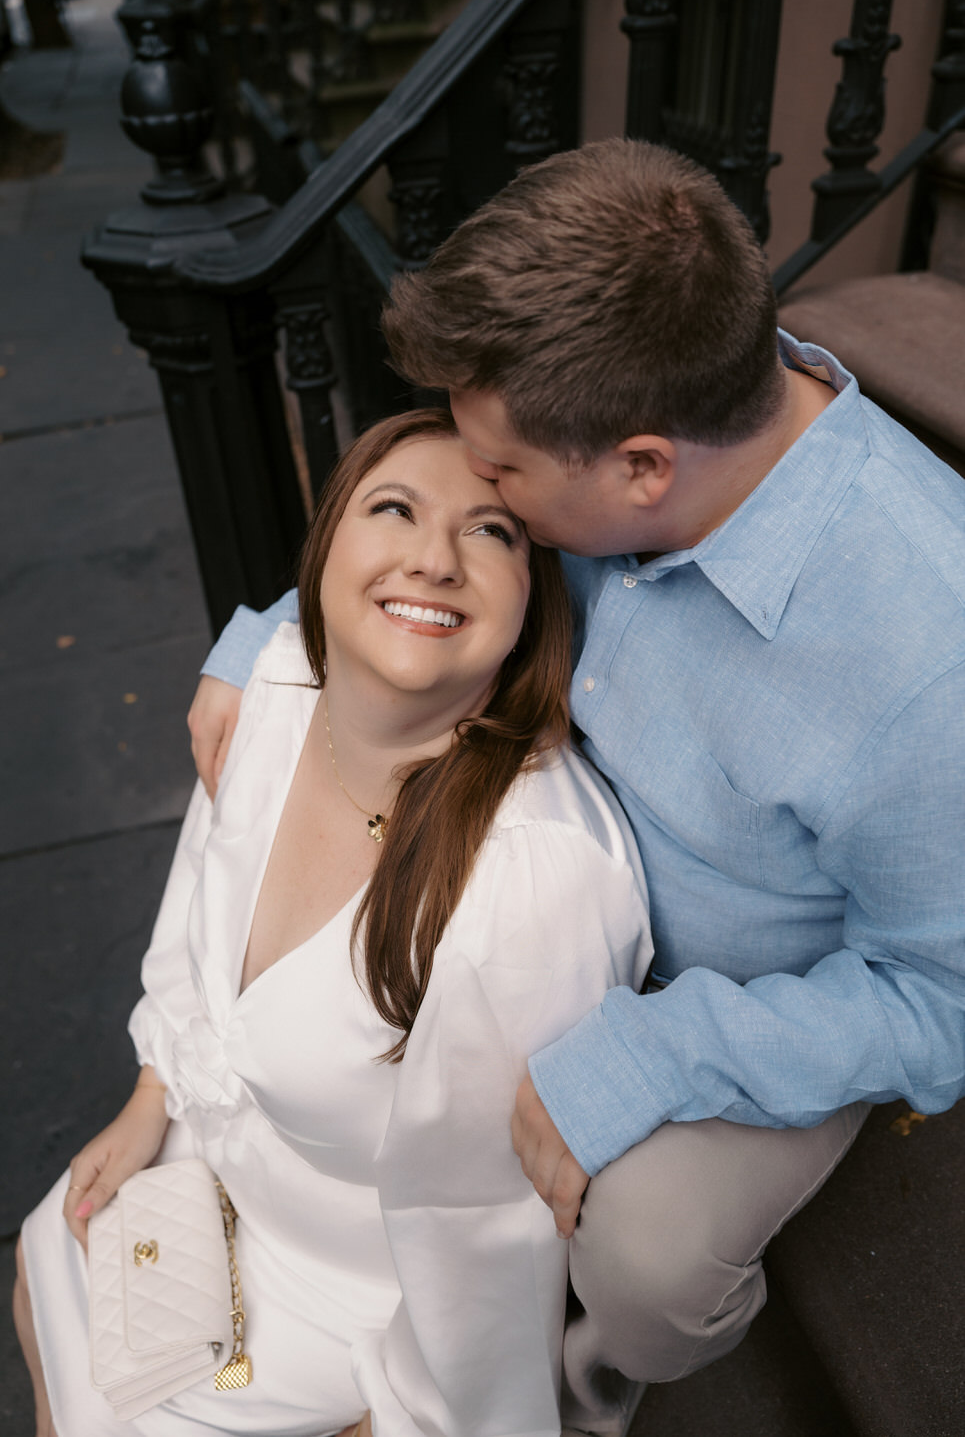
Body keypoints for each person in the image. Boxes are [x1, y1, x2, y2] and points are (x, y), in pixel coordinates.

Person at [186, 139, 965, 1435]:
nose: (474, 489)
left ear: (642, 468)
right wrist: (271, 635)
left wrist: (661, 1049)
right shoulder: (600, 422)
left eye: (501, 482)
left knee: (649, 1251)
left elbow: (939, 1000)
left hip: (736, 992)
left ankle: (597, 1373)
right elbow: (428, 538)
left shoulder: (925, 659)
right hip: (529, 864)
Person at [13, 406, 654, 1437]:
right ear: (325, 554)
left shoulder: (532, 883)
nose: (433, 557)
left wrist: (397, 1416)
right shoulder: (273, 686)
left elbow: (485, 1233)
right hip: (214, 1166)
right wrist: (151, 1092)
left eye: (490, 531)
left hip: (363, 1301)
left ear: (531, 600)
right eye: (392, 508)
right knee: (50, 1252)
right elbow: (197, 904)